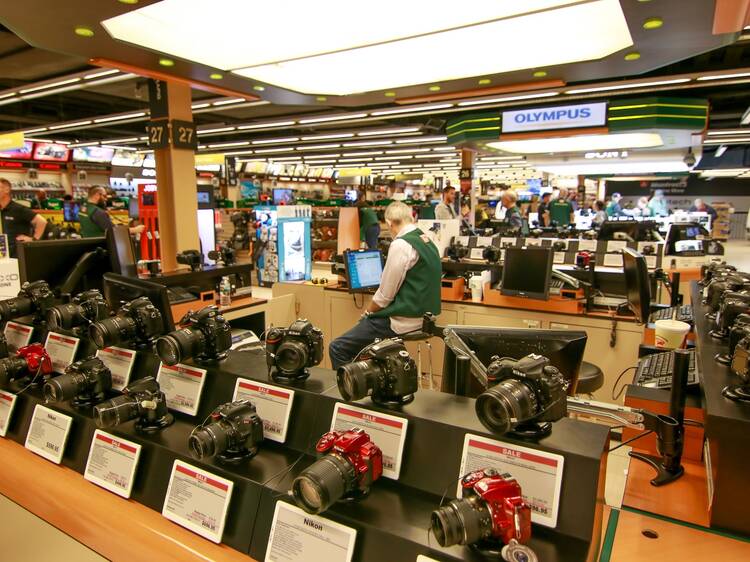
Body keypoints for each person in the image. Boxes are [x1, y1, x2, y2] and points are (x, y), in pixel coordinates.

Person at [328, 202, 441, 370]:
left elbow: (384, 296)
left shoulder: (401, 245)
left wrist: (367, 312)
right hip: (424, 318)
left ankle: (350, 390)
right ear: (411, 217)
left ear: (389, 223)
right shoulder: (426, 239)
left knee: (337, 348)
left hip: (402, 320)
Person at [0, 177, 47, 257]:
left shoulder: (18, 209)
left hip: (17, 255)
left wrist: (33, 240)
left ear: (7, 190)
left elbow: (41, 221)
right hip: (4, 254)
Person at [79, 186, 145, 238]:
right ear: (97, 195)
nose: (106, 199)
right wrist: (135, 229)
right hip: (100, 246)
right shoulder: (97, 212)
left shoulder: (83, 208)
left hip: (89, 243)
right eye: (104, 196)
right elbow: (113, 231)